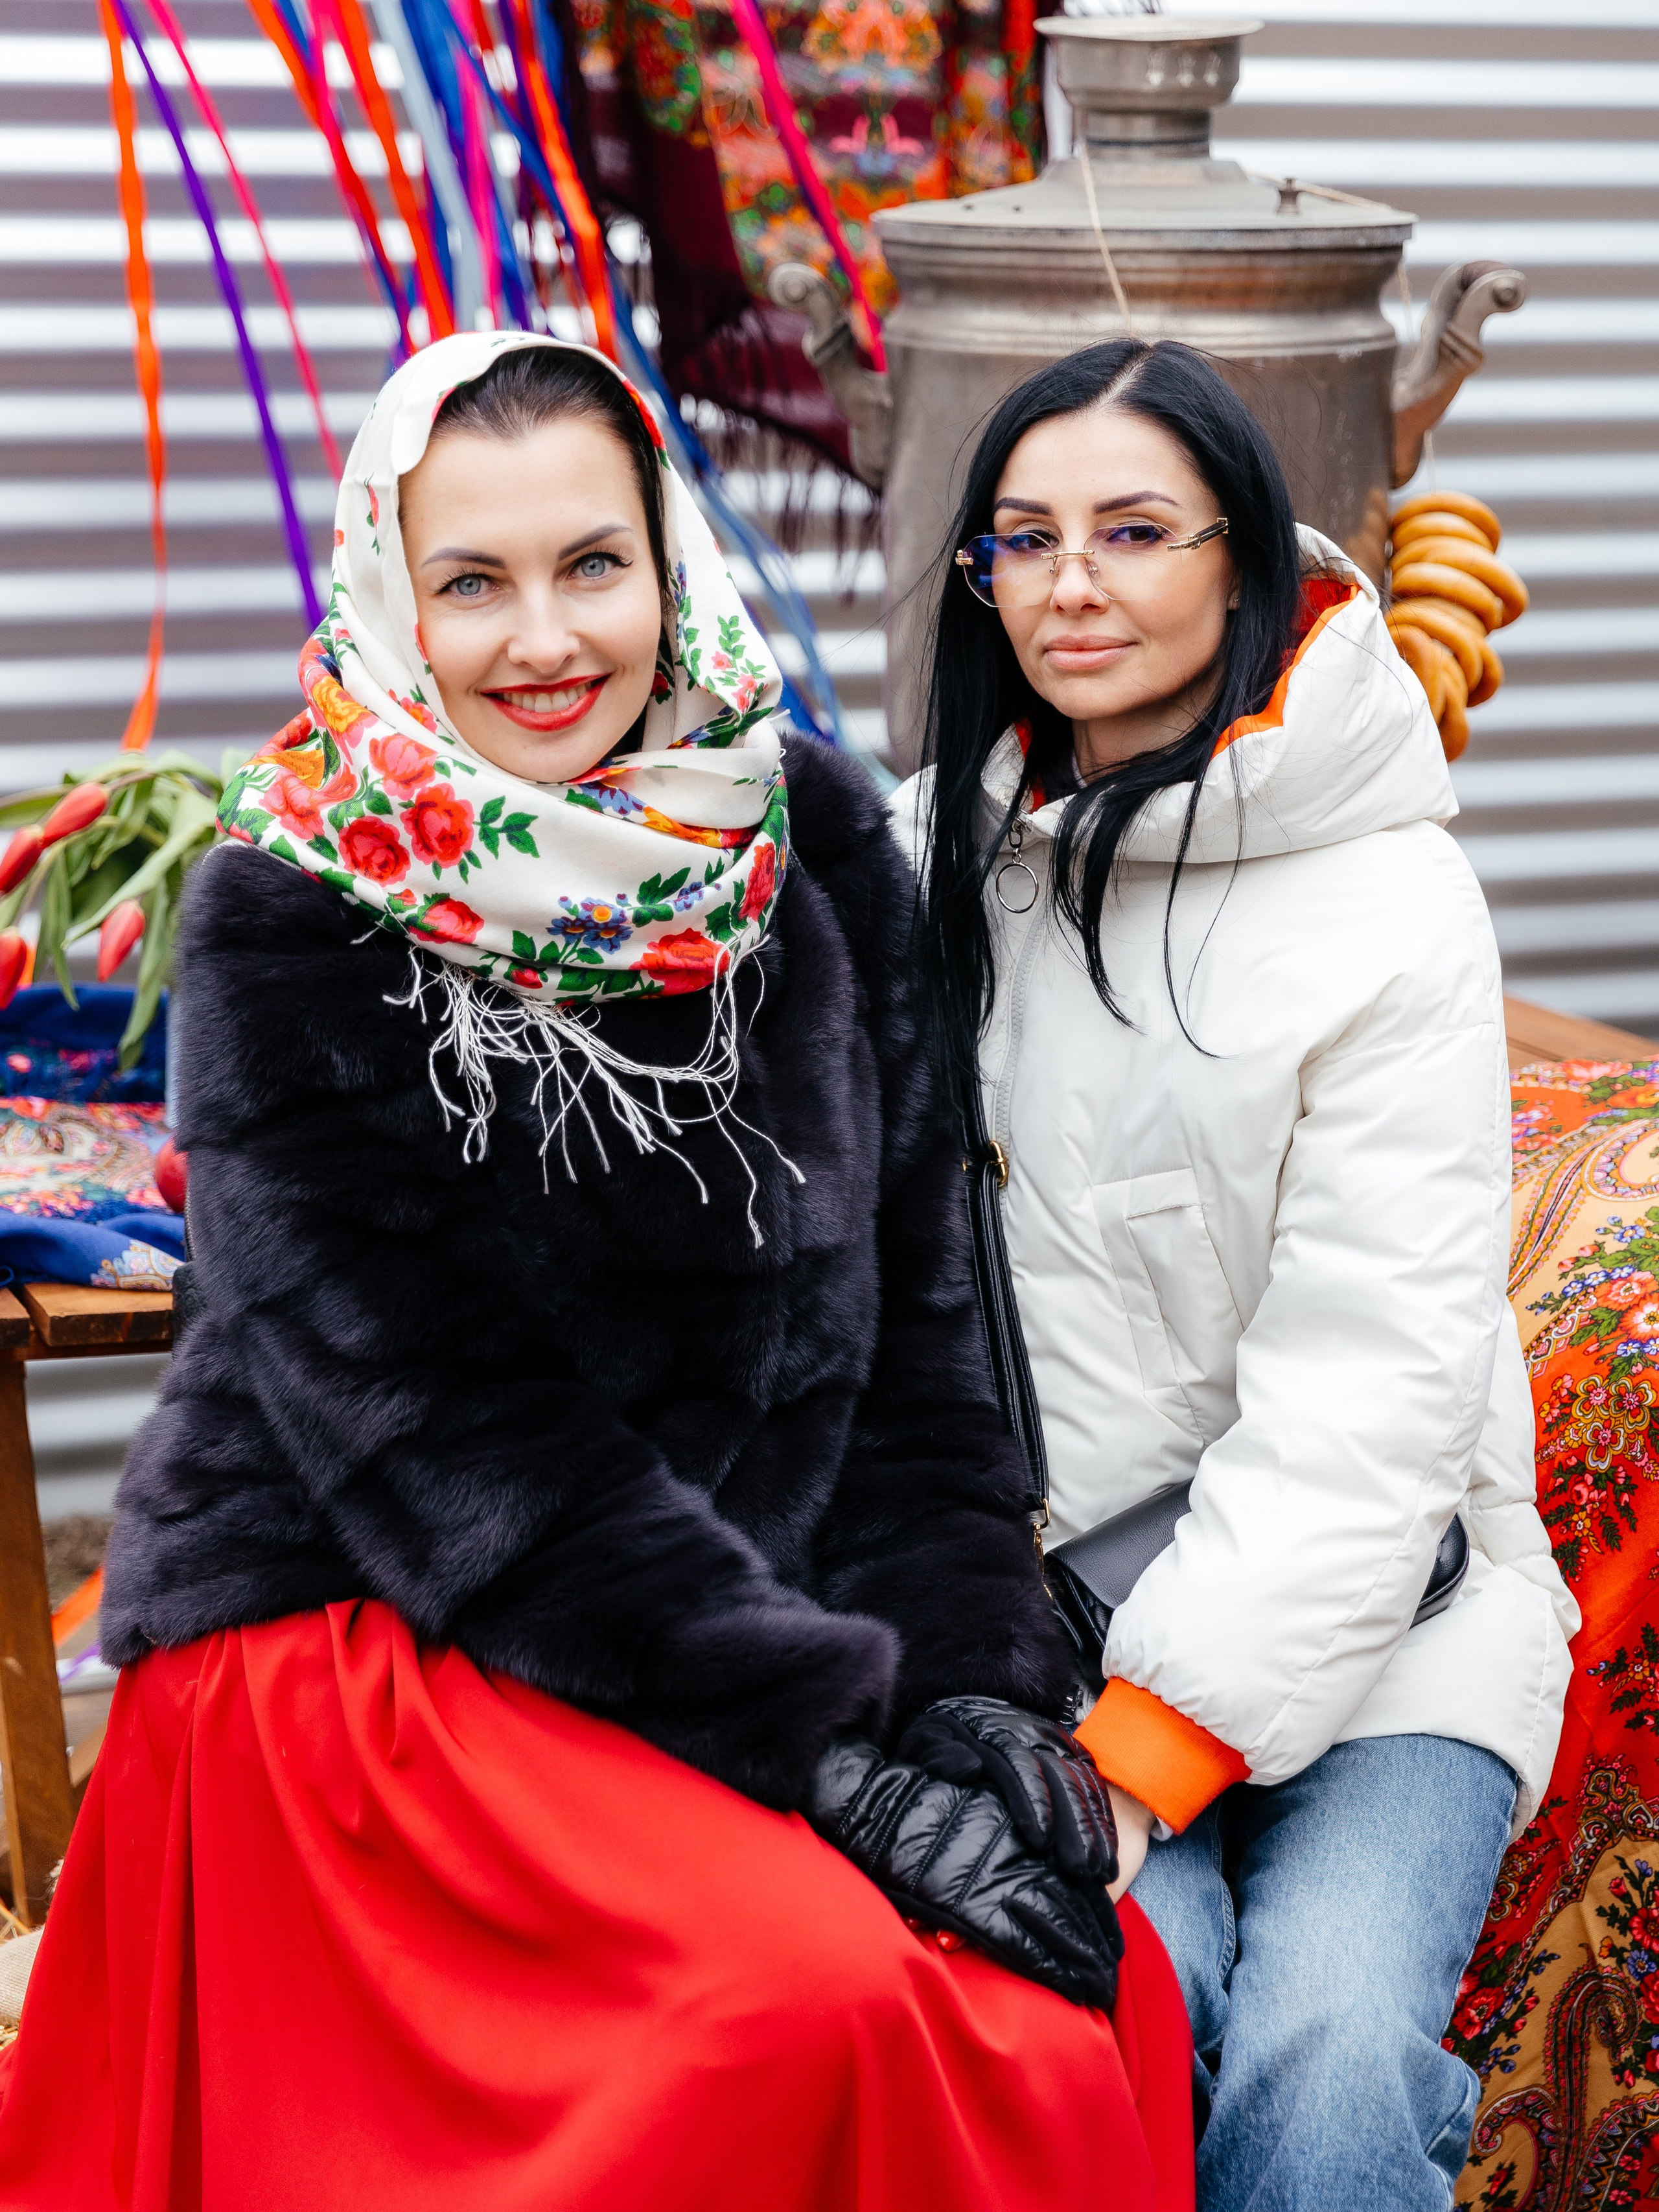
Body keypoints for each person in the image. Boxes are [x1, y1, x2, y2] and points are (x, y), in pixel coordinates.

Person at [0, 333, 1196, 2212]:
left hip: (709, 1638)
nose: (545, 639)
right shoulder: (299, 908)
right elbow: (454, 1444)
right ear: (392, 601)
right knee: (816, 2010)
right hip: (376, 1646)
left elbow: (919, 1357)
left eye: (591, 565)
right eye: (472, 582)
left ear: (668, 565)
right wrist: (828, 1759)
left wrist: (969, 1690)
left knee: (1078, 1989)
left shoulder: (805, 853)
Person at [897, 337, 1579, 2212]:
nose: (1072, 583)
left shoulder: (1388, 899)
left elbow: (1377, 1388)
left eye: (1135, 531)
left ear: (1245, 555)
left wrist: (1152, 1753)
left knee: (1325, 2055)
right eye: (1024, 538)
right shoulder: (938, 855)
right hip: (1067, 1628)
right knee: (1108, 2003)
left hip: (1402, 1628)